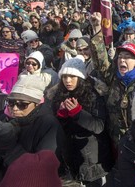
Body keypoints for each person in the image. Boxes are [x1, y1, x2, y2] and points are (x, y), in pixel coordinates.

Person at [89, 12, 135, 149]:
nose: (122, 59)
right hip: (115, 144)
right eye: (120, 56)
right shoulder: (112, 79)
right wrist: (96, 29)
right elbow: (100, 61)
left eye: (127, 57)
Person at [0, 75, 64, 183]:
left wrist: (10, 148)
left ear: (37, 104)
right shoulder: (2, 120)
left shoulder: (48, 124)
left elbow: (42, 171)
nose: (14, 109)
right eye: (11, 102)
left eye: (22, 104)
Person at [46, 58, 113, 186]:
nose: (67, 81)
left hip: (92, 158)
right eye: (64, 77)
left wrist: (78, 113)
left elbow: (99, 126)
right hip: (70, 156)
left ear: (80, 77)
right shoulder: (58, 95)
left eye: (72, 76)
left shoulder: (93, 95)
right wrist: (61, 116)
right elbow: (58, 129)